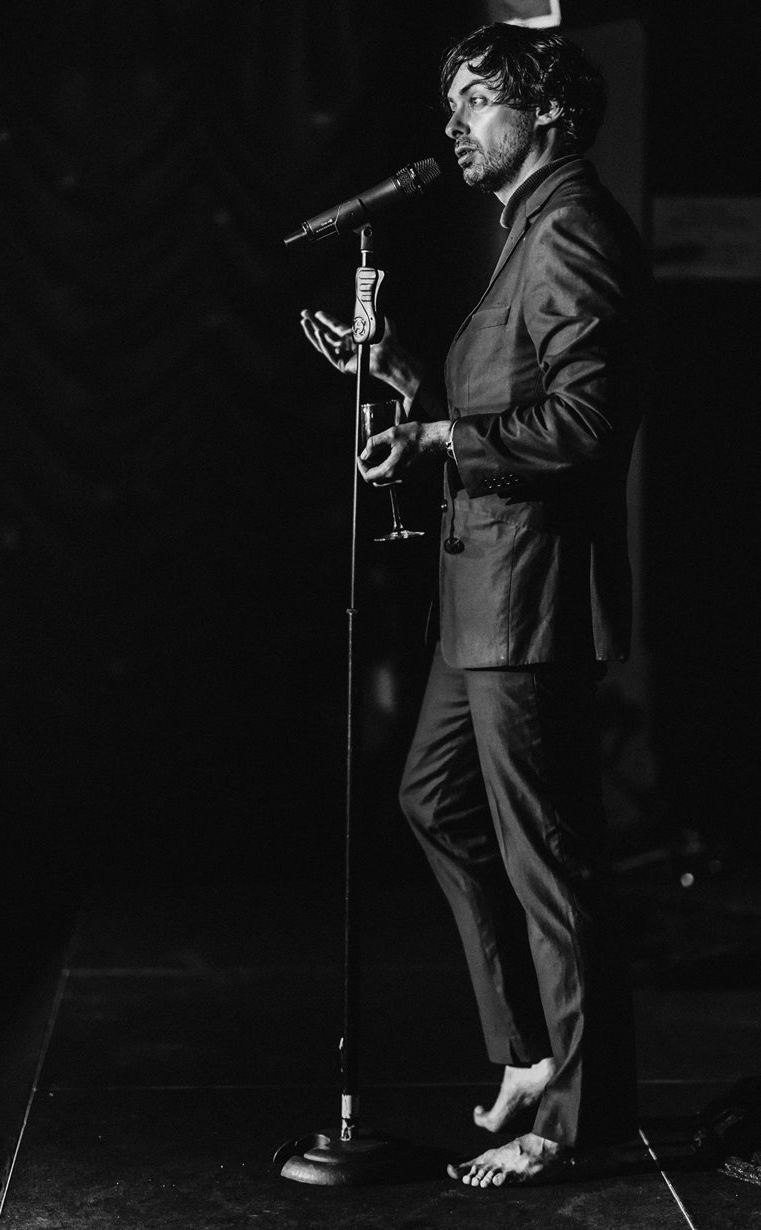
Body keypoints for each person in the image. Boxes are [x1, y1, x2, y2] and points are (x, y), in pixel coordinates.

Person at [300, 22, 652, 1188]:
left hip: (528, 595)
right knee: (434, 800)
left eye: (476, 100)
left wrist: (441, 434)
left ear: (544, 113)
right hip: (479, 593)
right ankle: (527, 1049)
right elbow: (508, 389)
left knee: (546, 854)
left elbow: (586, 429)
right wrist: (408, 375)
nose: (452, 125)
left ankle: (577, 1117)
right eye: (449, 103)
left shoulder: (572, 230)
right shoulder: (525, 230)